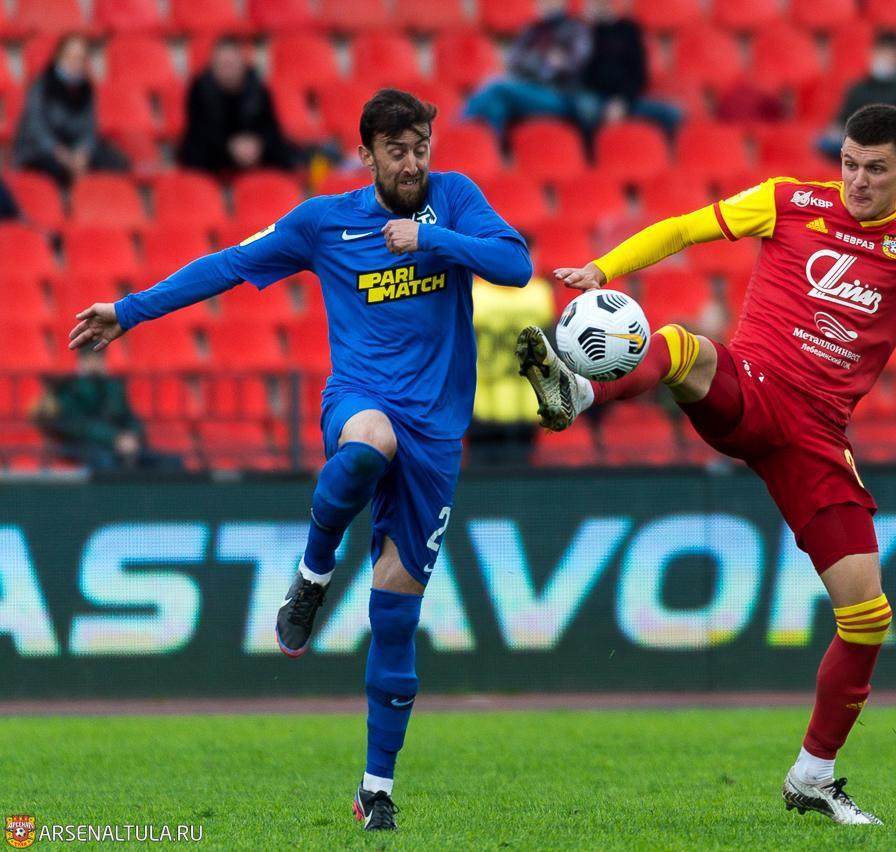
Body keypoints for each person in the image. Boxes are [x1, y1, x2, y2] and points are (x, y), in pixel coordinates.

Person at [517, 104, 896, 826]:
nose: (857, 180)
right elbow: (685, 228)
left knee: (867, 615)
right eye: (849, 163)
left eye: (875, 169)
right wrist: (604, 268)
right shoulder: (789, 199)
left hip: (816, 437)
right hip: (751, 389)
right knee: (683, 346)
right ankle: (579, 392)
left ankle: (814, 775)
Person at [68, 89, 532, 832]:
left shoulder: (454, 199)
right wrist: (128, 311)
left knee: (395, 617)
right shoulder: (323, 222)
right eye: (397, 152)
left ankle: (375, 789)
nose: (412, 164)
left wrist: (434, 241)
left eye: (421, 149)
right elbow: (229, 264)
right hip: (362, 398)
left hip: (438, 436)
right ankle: (314, 573)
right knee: (367, 445)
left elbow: (516, 265)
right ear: (366, 155)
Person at [460, 0, 592, 139]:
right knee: (496, 105)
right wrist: (545, 62)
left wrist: (541, 65)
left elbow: (571, 68)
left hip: (558, 95)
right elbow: (514, 61)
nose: (544, 3)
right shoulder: (532, 30)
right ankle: (489, 147)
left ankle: (455, 131)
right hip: (526, 88)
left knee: (496, 87)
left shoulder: (575, 30)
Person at [32, 347, 175, 471]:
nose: (94, 362)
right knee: (107, 462)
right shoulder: (68, 389)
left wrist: (134, 437)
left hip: (122, 444)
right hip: (85, 446)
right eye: (90, 358)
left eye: (98, 358)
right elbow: (80, 427)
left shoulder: (113, 387)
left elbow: (130, 417)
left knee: (170, 463)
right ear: (81, 361)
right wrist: (115, 438)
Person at [12, 34, 129, 186]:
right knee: (56, 169)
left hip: (74, 148)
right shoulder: (41, 86)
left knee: (115, 162)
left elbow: (90, 128)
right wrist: (61, 154)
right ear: (58, 57)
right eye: (70, 57)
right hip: (43, 150)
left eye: (80, 58)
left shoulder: (86, 89)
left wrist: (83, 153)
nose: (75, 63)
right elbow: (36, 129)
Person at [177, 37, 297, 176]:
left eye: (231, 64)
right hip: (215, 152)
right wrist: (230, 146)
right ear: (213, 66)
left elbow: (270, 127)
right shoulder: (200, 89)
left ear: (242, 64)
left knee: (283, 152)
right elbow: (198, 130)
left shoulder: (257, 88)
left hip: (254, 150)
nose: (228, 70)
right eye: (222, 65)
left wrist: (257, 144)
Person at [470, 273, 555, 466]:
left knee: (483, 476)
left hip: (488, 404)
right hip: (505, 404)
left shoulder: (476, 293)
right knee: (518, 475)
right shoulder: (539, 294)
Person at [817, 34, 896, 160]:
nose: (883, 59)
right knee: (822, 142)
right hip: (857, 143)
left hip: (890, 147)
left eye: (888, 55)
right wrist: (835, 131)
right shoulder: (859, 87)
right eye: (879, 54)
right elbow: (841, 121)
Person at [580, 0, 682, 138]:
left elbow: (639, 75)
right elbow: (583, 75)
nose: (601, 7)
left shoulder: (629, 30)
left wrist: (622, 101)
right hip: (595, 97)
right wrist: (588, 27)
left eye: (604, 4)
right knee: (585, 108)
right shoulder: (585, 32)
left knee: (672, 113)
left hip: (627, 98)